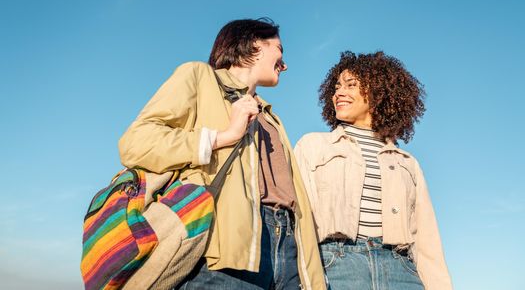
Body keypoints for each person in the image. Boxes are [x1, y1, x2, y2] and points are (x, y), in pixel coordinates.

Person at [118, 18, 326, 290]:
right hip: (224, 250)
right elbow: (136, 142)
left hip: (287, 251)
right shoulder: (199, 76)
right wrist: (222, 137)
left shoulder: (271, 116)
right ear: (254, 45)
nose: (284, 64)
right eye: (279, 50)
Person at [294, 51, 452, 290]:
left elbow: (426, 240)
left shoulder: (406, 162)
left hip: (401, 269)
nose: (339, 92)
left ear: (378, 92)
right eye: (336, 87)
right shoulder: (313, 145)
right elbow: (299, 220)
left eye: (351, 85)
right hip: (336, 266)